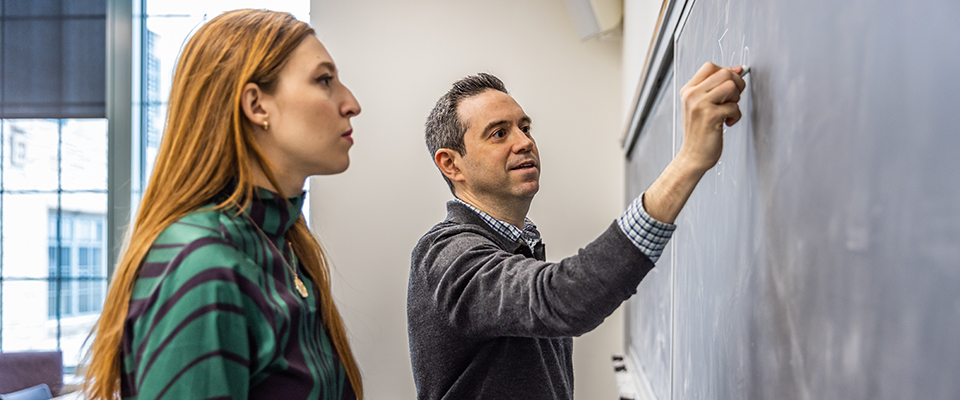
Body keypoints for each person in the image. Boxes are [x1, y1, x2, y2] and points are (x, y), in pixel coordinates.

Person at [408, 64, 745, 399]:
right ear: (451, 164)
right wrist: (688, 161)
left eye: (525, 127)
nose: (524, 142)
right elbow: (561, 299)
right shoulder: (444, 254)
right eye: (499, 133)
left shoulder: (517, 246)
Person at [83, 9, 363, 400]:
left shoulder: (282, 244)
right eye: (324, 80)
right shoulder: (201, 262)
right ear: (257, 105)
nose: (351, 104)